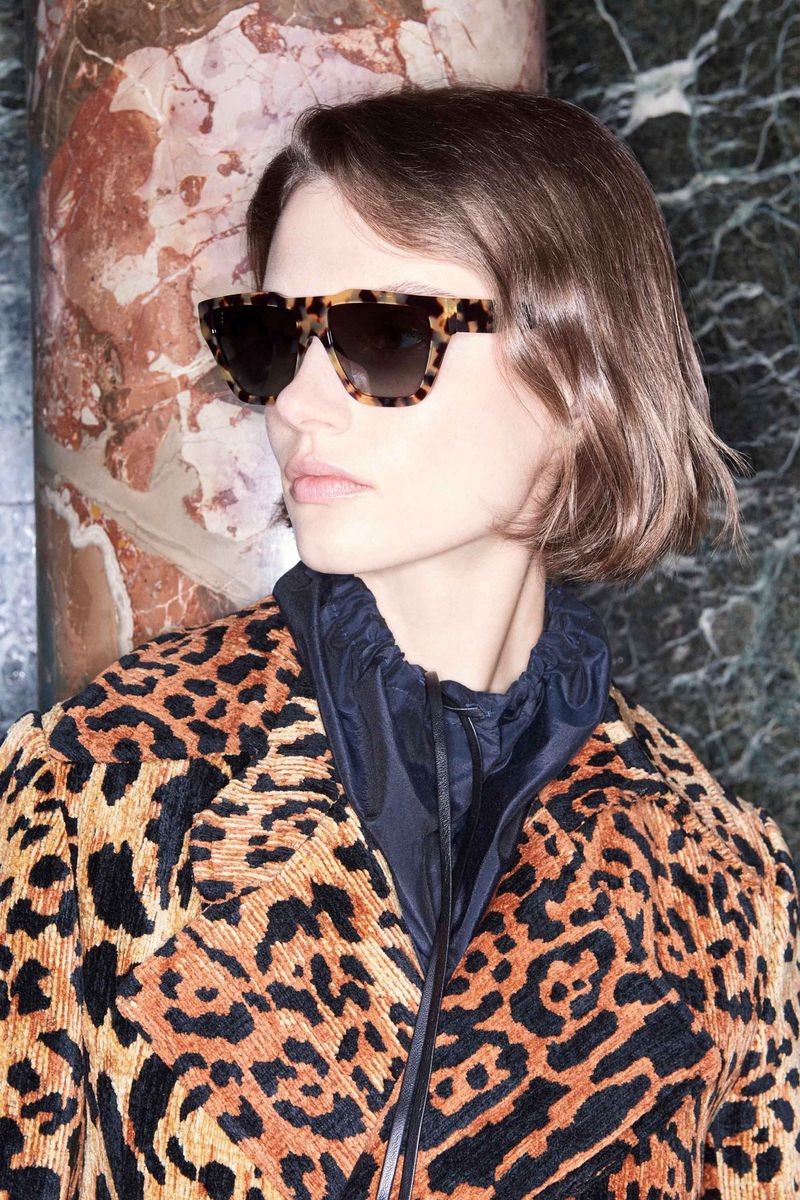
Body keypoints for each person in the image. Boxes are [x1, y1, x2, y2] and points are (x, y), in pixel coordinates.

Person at [1, 83, 797, 1200]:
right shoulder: (101, 787)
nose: (296, 404)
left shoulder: (722, 888)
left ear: (580, 375)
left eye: (382, 335)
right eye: (271, 339)